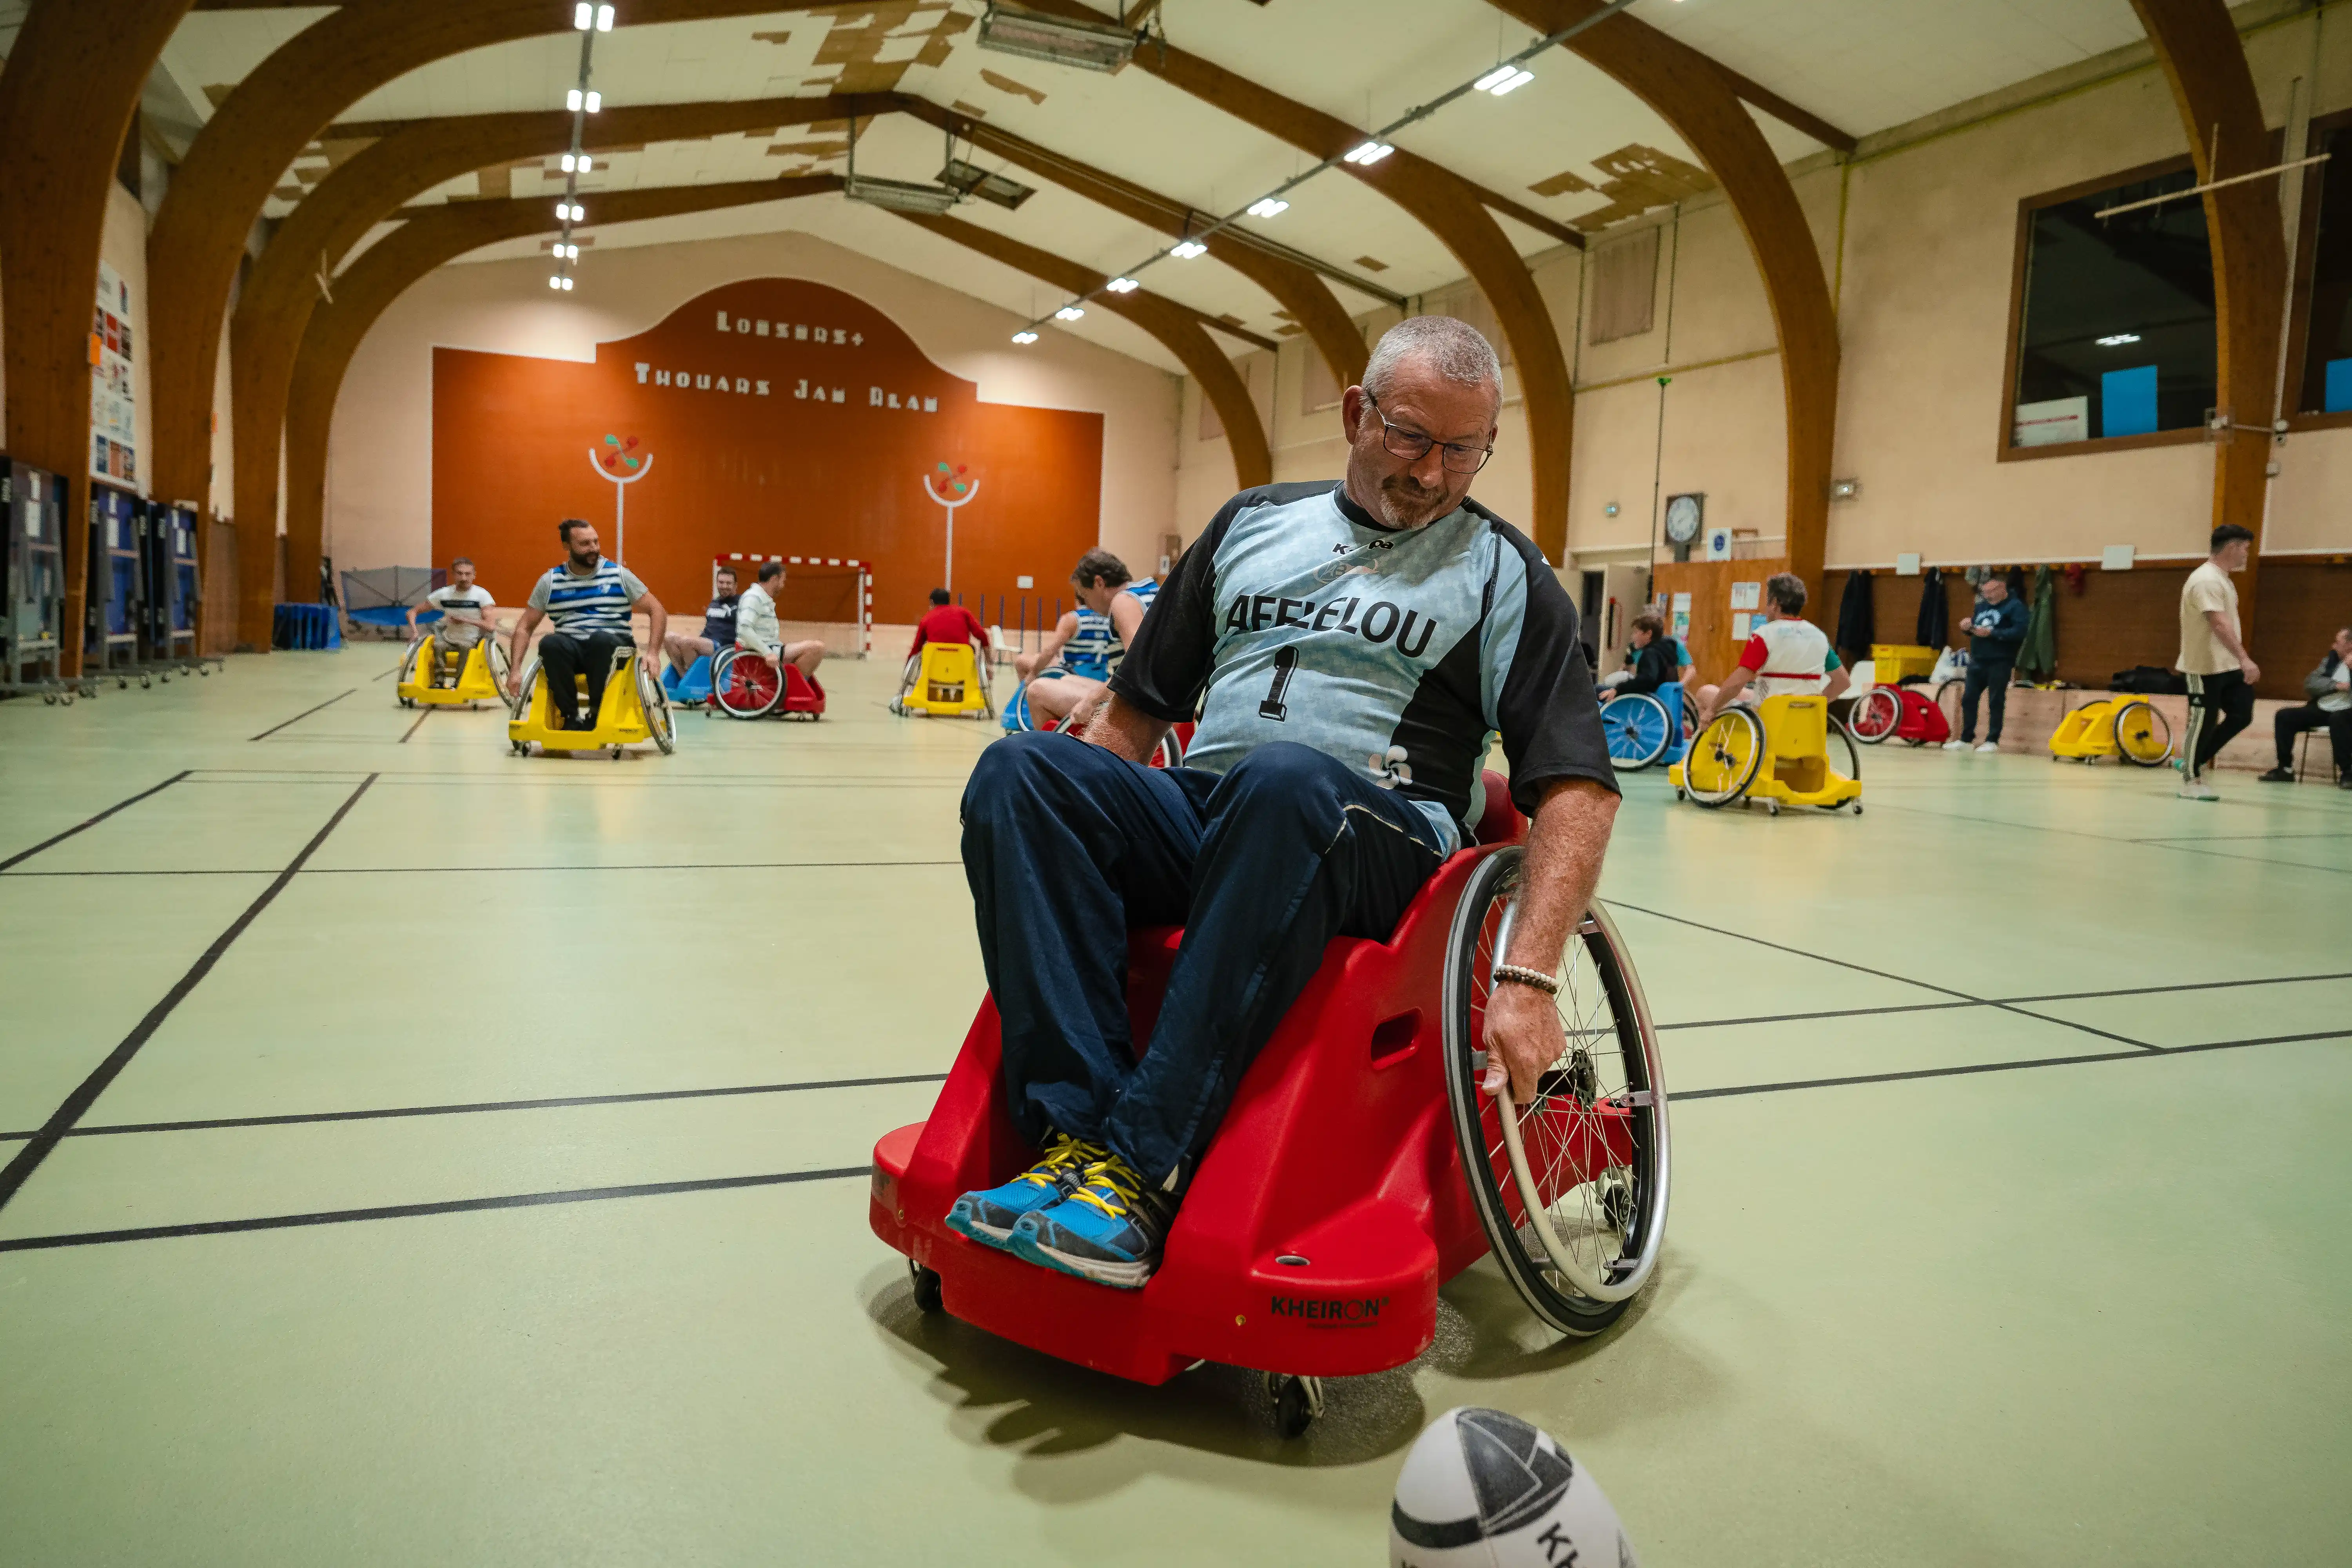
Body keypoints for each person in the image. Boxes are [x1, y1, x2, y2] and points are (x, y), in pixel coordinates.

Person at [948, 316, 1619, 1290]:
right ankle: (1075, 1142)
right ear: (1355, 413)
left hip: (1381, 837)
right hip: (1215, 811)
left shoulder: (1505, 573)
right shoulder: (1251, 522)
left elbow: (1578, 789)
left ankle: (1144, 1166)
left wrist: (1530, 976)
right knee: (1023, 772)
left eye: (1463, 450)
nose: (1432, 473)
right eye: (1410, 437)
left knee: (1285, 781)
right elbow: (1135, 711)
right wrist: (1082, 826)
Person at [503, 519, 667, 729]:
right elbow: (524, 627)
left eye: (596, 542)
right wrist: (515, 670)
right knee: (551, 644)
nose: (594, 549)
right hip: (572, 650)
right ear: (567, 546)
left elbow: (657, 610)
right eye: (585, 544)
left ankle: (597, 712)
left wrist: (653, 653)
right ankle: (569, 717)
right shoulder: (551, 582)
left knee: (600, 640)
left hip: (614, 648)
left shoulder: (618, 575)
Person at [1014, 550, 1158, 729]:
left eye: (1085, 595)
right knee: (1067, 681)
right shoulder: (1149, 590)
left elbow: (1136, 667)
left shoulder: (1123, 603)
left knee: (1037, 690)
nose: (1087, 605)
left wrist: (1092, 701)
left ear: (1099, 583)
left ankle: (1055, 747)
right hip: (1154, 694)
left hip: (1139, 705)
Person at [1693, 573, 1850, 724]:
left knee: (1705, 693)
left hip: (1767, 717)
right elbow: (1843, 682)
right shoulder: (1819, 636)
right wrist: (1815, 706)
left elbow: (1738, 682)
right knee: (1745, 694)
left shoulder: (1764, 635)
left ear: (1774, 603)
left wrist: (1711, 711)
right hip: (1802, 717)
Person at [2177, 524, 2259, 802]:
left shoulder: (2223, 579)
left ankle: (2193, 760)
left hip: (2228, 666)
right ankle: (2191, 780)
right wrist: (2245, 658)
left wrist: (2238, 661)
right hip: (2204, 666)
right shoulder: (2206, 580)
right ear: (2232, 547)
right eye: (2245, 549)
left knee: (2242, 714)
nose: (2247, 555)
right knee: (2203, 720)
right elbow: (2219, 624)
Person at [2260, 627, 2352, 789]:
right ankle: (2285, 769)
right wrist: (2335, 685)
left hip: (2347, 712)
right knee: (2285, 716)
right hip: (2323, 708)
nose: (2333, 646)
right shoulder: (2330, 661)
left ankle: (2348, 773)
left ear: (2350, 645)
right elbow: (2311, 684)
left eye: (2337, 642)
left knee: (2338, 719)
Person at [1944, 572, 2026, 753]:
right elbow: (1977, 628)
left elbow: (2020, 632)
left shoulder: (2016, 607)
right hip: (1978, 660)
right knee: (1969, 699)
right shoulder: (1982, 606)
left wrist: (1993, 633)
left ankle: (1992, 741)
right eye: (1985, 592)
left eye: (1991, 592)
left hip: (2000, 661)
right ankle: (1966, 740)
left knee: (1996, 700)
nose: (1987, 596)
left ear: (2002, 588)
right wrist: (1967, 628)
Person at [406, 557, 497, 686]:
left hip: (471, 639)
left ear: (474, 575)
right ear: (453, 574)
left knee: (465, 648)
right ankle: (438, 682)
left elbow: (491, 626)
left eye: (468, 574)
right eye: (460, 574)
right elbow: (412, 612)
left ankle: (459, 682)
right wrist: (415, 632)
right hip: (448, 638)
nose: (464, 578)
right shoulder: (443, 594)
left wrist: (466, 620)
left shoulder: (482, 596)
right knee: (438, 646)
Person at [736, 560, 826, 680]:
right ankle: (793, 686)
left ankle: (793, 683)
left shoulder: (763, 598)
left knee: (812, 648)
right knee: (816, 648)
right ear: (775, 579)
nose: (783, 586)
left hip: (771, 648)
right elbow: (743, 630)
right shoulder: (753, 598)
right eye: (783, 581)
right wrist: (767, 653)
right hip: (763, 653)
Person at [663, 564, 739, 675]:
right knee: (668, 638)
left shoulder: (741, 603)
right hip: (706, 641)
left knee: (687, 642)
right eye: (721, 582)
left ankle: (692, 677)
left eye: (729, 583)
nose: (724, 586)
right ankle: (682, 675)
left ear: (736, 585)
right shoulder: (714, 603)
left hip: (723, 646)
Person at [1597, 612, 1677, 703]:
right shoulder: (1666, 652)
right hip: (1659, 698)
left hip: (1645, 701)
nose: (1633, 637)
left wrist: (1618, 690)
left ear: (1649, 634)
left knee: (1597, 690)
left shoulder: (1651, 653)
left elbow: (1647, 679)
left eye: (1636, 632)